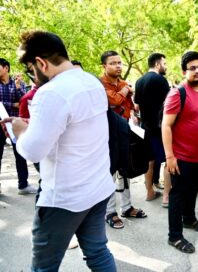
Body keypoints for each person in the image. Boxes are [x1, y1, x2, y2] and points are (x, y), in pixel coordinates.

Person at [3, 30, 116, 271]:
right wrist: (35, 126)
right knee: (98, 252)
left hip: (64, 199)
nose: (32, 76)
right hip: (97, 187)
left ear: (41, 63)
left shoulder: (51, 92)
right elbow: (74, 127)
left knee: (44, 266)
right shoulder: (90, 82)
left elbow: (32, 152)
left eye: (31, 70)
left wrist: (20, 130)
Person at [162, 51, 198, 254]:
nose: (197, 71)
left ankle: (189, 219)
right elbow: (166, 126)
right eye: (192, 68)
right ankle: (174, 236)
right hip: (181, 158)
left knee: (192, 190)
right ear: (184, 72)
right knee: (177, 195)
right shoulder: (178, 93)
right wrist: (169, 157)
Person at [100, 50, 147, 229]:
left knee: (125, 168)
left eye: (119, 63)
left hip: (124, 129)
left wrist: (133, 106)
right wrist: (127, 90)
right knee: (109, 171)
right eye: (113, 63)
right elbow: (114, 101)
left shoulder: (122, 82)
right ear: (104, 66)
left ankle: (126, 207)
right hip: (106, 132)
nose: (118, 66)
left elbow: (129, 106)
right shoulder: (99, 83)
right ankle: (110, 211)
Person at [134, 53, 170, 205]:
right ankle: (166, 197)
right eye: (164, 63)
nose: (165, 67)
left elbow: (136, 104)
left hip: (145, 127)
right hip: (160, 127)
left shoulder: (139, 81)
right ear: (157, 64)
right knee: (168, 160)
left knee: (149, 160)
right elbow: (169, 104)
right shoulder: (160, 80)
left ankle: (149, 192)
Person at [0, 58, 34, 194]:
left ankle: (23, 185)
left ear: (6, 68)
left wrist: (19, 87)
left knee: (20, 154)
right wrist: (13, 104)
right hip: (0, 124)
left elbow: (24, 101)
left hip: (15, 123)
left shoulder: (16, 83)